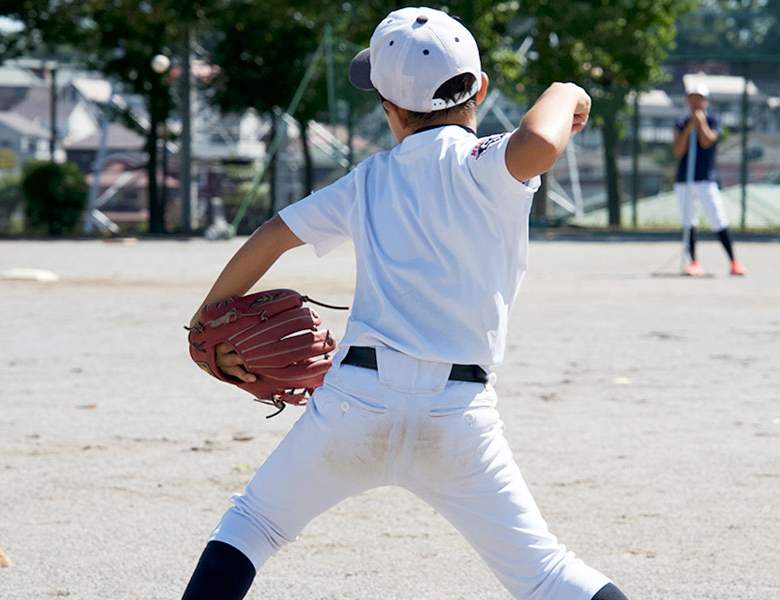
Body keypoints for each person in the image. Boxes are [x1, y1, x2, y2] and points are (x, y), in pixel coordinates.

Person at [181, 7, 628, 600]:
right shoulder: (490, 164)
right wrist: (568, 88)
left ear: (389, 111)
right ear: (481, 89)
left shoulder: (368, 179)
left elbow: (270, 236)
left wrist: (202, 324)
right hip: (458, 416)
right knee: (545, 574)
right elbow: (544, 140)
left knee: (252, 525)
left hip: (354, 404)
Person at [672, 80, 746, 277]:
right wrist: (689, 128)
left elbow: (707, 141)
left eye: (699, 98)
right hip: (684, 180)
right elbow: (678, 150)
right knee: (688, 221)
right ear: (687, 100)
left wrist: (700, 122)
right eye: (692, 98)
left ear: (706, 100)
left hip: (705, 178)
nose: (695, 102)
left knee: (717, 218)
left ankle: (734, 262)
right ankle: (694, 262)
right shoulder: (680, 124)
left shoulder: (713, 120)